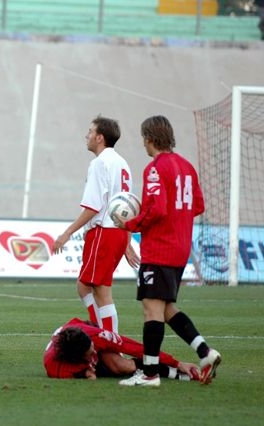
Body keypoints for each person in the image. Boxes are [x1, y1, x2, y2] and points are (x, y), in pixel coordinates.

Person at [115, 115, 221, 387]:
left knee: (151, 309)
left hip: (159, 248)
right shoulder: (186, 166)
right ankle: (205, 352)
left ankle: (149, 374)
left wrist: (131, 223)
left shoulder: (154, 168)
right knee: (165, 308)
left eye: (143, 139)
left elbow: (158, 208)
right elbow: (198, 206)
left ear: (149, 138)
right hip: (181, 248)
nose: (143, 145)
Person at [51, 116, 138, 334]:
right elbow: (127, 207)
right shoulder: (122, 163)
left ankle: (111, 345)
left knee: (102, 291)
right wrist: (126, 241)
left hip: (105, 232)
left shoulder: (99, 163)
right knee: (84, 286)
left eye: (90, 131)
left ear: (100, 138)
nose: (86, 135)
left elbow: (93, 206)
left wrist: (66, 233)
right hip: (115, 232)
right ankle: (101, 333)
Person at [44, 318, 200, 381]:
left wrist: (177, 363)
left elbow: (134, 348)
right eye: (89, 353)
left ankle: (174, 371)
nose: (93, 350)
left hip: (86, 329)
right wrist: (85, 371)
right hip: (75, 356)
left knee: (122, 367)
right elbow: (85, 374)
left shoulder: (96, 336)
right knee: (116, 369)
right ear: (78, 358)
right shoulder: (54, 366)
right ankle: (168, 372)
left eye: (93, 348)